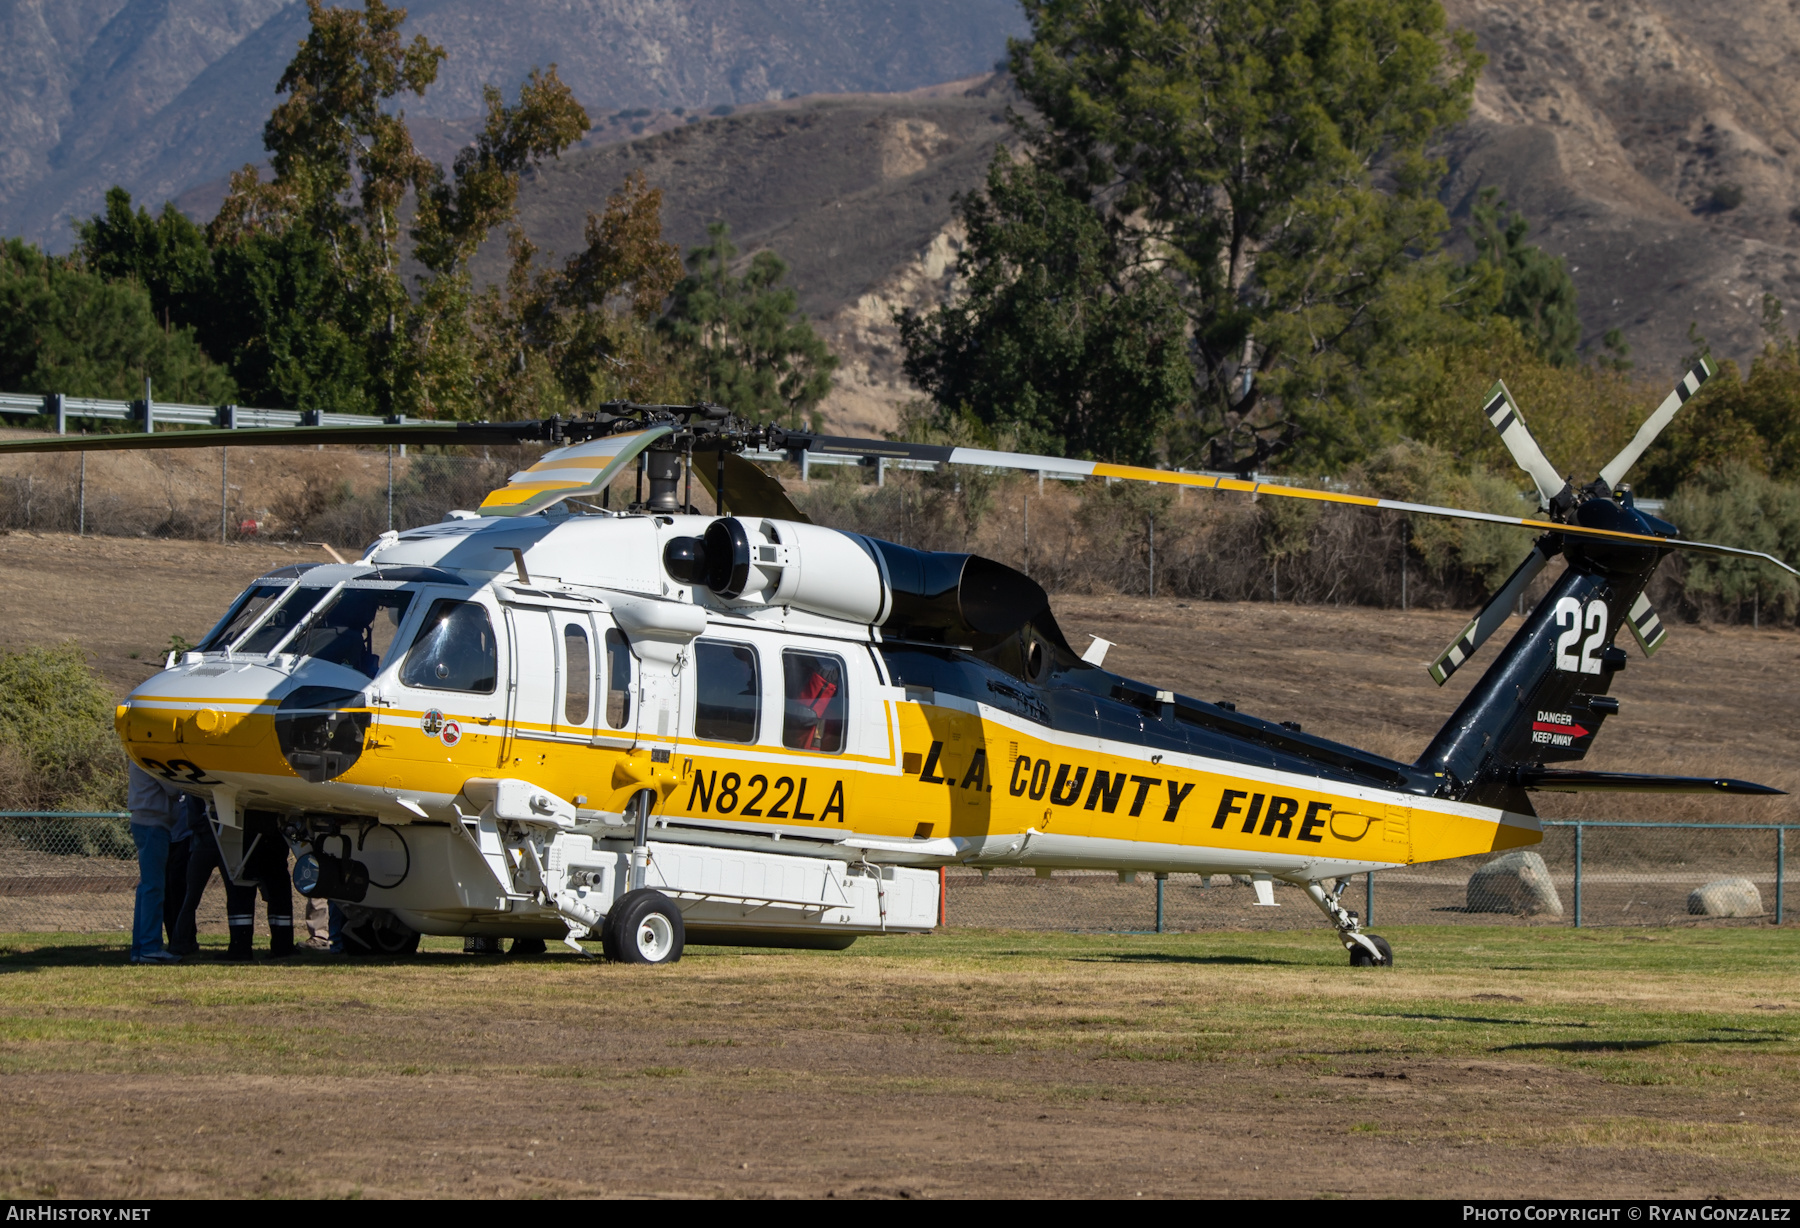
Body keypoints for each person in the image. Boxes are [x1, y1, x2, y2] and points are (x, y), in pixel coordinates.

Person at [172, 806, 295, 960]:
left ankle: (243, 946)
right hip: (263, 830)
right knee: (271, 886)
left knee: (245, 886)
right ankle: (280, 945)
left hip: (250, 831)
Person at [126, 762, 182, 965]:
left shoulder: (138, 755)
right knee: (153, 887)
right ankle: (150, 946)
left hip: (146, 821)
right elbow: (173, 788)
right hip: (154, 823)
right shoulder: (150, 757)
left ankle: (140, 947)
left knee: (147, 887)